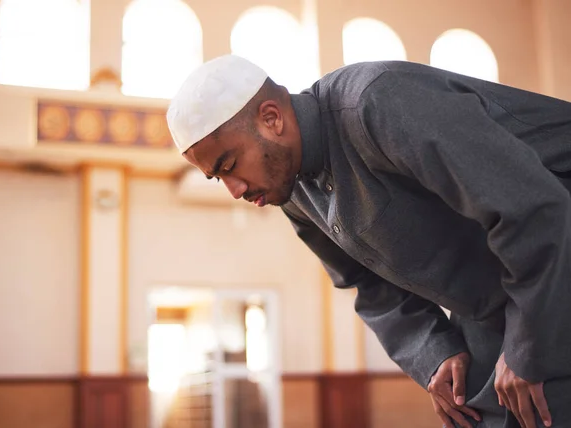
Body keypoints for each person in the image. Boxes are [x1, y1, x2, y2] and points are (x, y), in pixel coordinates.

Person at [166, 54, 571, 428]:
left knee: (545, 402)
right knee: (473, 413)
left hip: (555, 249)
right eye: (218, 178)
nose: (234, 190)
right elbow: (368, 284)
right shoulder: (291, 192)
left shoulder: (377, 101)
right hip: (501, 293)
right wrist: (435, 353)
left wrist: (527, 345)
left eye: (231, 165)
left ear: (272, 118)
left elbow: (533, 208)